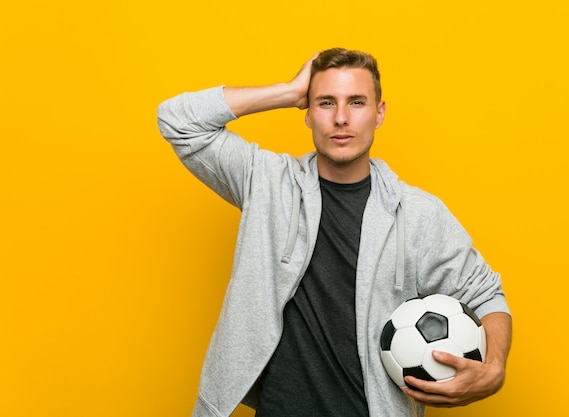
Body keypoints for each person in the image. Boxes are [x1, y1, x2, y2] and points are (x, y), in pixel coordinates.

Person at [157, 48, 512, 417]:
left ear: (379, 114)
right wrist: (288, 92)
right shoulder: (266, 182)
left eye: (356, 102)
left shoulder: (419, 214)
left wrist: (495, 369)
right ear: (308, 114)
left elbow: (487, 295)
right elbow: (178, 121)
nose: (341, 118)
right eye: (326, 103)